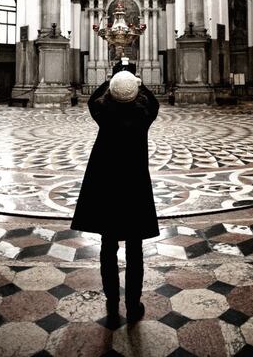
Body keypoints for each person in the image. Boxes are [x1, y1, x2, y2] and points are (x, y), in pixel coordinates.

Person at [71, 70, 159, 323]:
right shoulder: (144, 116)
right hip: (135, 192)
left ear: (110, 94)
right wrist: (137, 82)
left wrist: (109, 81)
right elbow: (153, 102)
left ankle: (112, 301)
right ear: (136, 94)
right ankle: (133, 305)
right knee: (135, 250)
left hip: (107, 192)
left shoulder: (103, 115)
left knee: (108, 248)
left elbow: (92, 100)